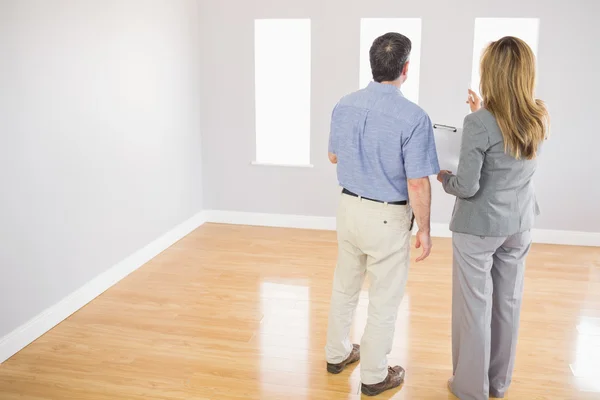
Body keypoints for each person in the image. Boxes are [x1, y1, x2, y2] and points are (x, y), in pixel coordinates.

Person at [325, 32, 440, 396]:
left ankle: (337, 354)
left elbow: (333, 157)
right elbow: (418, 183)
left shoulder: (345, 104)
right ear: (406, 69)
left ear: (373, 65)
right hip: (387, 218)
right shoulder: (414, 117)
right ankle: (374, 376)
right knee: (383, 301)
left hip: (347, 208)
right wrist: (425, 229)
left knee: (344, 287)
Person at [437, 36, 549, 400]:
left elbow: (467, 186)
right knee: (508, 304)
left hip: (479, 228)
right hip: (519, 225)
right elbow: (507, 142)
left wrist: (443, 178)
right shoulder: (537, 115)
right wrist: (482, 110)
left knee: (475, 307)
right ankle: (498, 385)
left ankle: (471, 389)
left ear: (491, 73)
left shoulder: (478, 123)